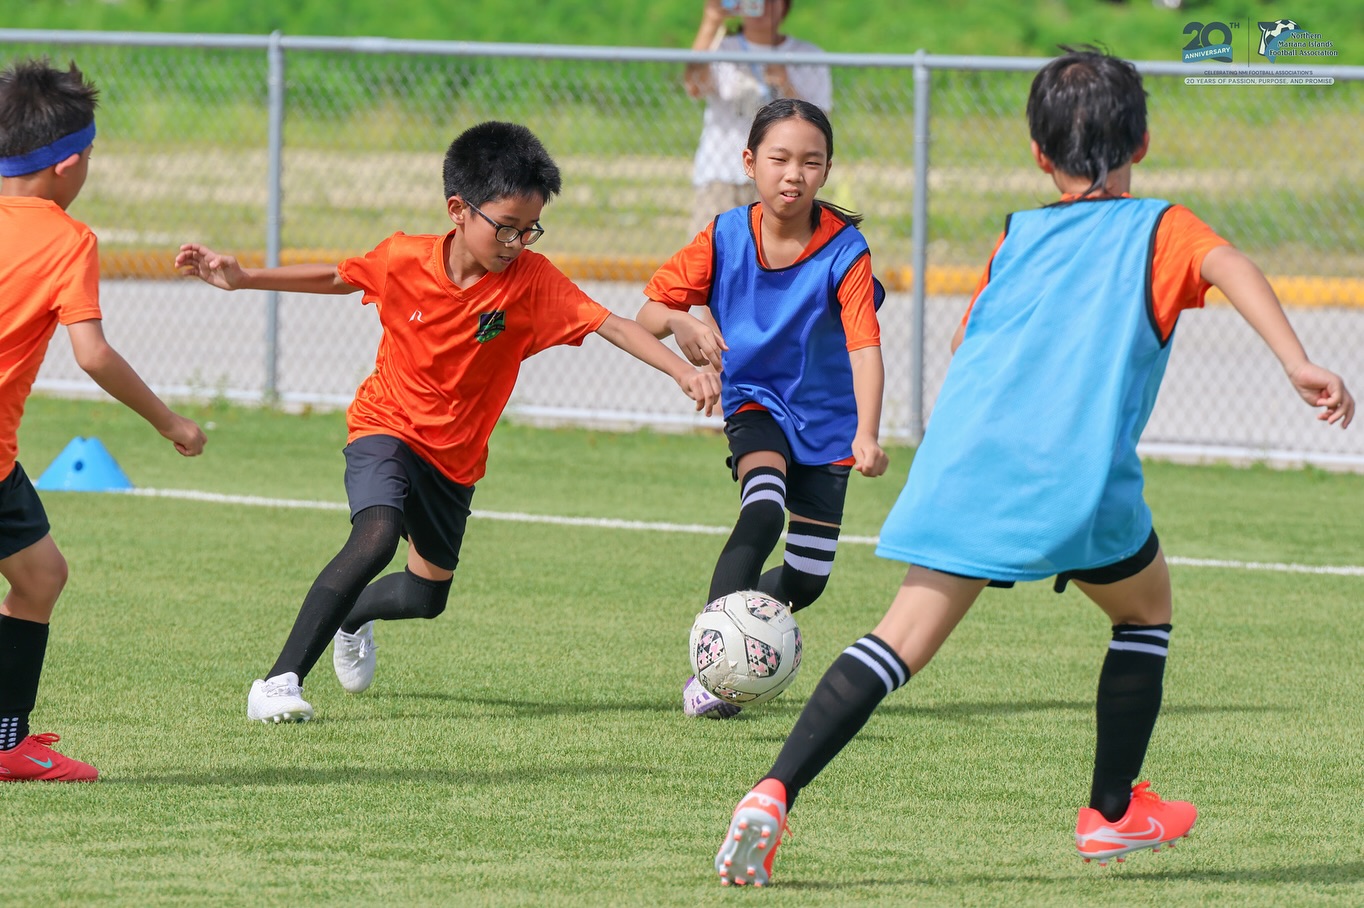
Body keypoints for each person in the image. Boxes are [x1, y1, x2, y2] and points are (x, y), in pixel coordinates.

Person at [712, 47, 1355, 886]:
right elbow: (1227, 263)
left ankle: (770, 793)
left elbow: (963, 335)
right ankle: (1114, 814)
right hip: (1071, 480)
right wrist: (1297, 360)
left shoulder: (1018, 232)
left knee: (895, 642)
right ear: (1144, 142)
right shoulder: (1161, 227)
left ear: (1039, 156)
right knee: (1146, 609)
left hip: (964, 466)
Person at [176, 121, 721, 724]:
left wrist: (679, 370)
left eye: (529, 228)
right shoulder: (403, 258)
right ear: (458, 210)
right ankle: (277, 682)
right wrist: (245, 277)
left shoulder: (532, 281)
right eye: (506, 227)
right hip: (386, 425)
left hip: (455, 460)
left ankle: (353, 616)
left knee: (426, 596)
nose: (517, 241)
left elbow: (612, 324)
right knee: (376, 534)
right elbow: (338, 276)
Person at [638, 98, 888, 721]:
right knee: (764, 505)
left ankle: (740, 630)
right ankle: (714, 665)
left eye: (810, 161)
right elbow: (646, 318)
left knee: (806, 580)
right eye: (779, 158)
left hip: (828, 423)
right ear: (750, 162)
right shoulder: (722, 236)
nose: (793, 174)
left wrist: (869, 434)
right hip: (755, 402)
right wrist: (679, 319)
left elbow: (864, 347)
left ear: (826, 171)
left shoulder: (845, 250)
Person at [0, 58, 207, 781]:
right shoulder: (67, 240)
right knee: (38, 577)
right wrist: (169, 421)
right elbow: (91, 354)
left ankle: (7, 743)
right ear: (71, 161)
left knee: (40, 573)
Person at [684, 0, 832, 237]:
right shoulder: (722, 49)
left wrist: (786, 84)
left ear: (784, 7)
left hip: (781, 176)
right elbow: (694, 86)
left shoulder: (808, 55)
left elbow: (820, 123)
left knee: (774, 257)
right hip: (722, 172)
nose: (761, 7)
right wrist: (711, 21)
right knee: (712, 255)